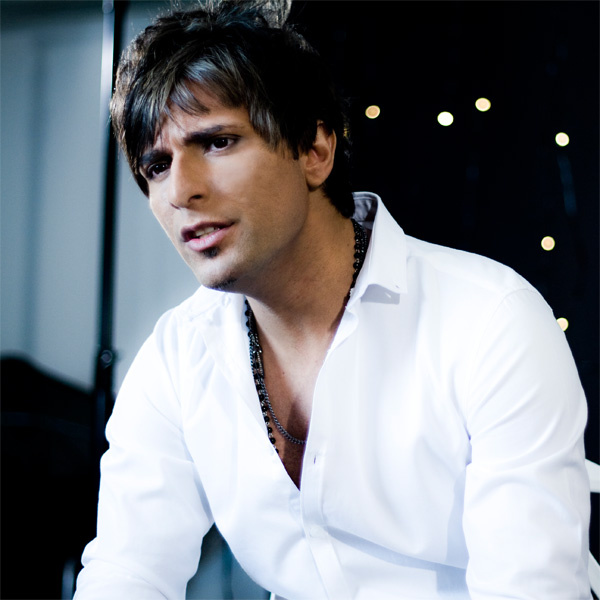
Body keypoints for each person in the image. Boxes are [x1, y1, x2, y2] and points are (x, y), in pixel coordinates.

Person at [74, 1, 591, 598]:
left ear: (314, 150)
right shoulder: (177, 355)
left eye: (217, 142)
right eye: (157, 166)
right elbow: (128, 571)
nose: (181, 190)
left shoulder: (489, 320)